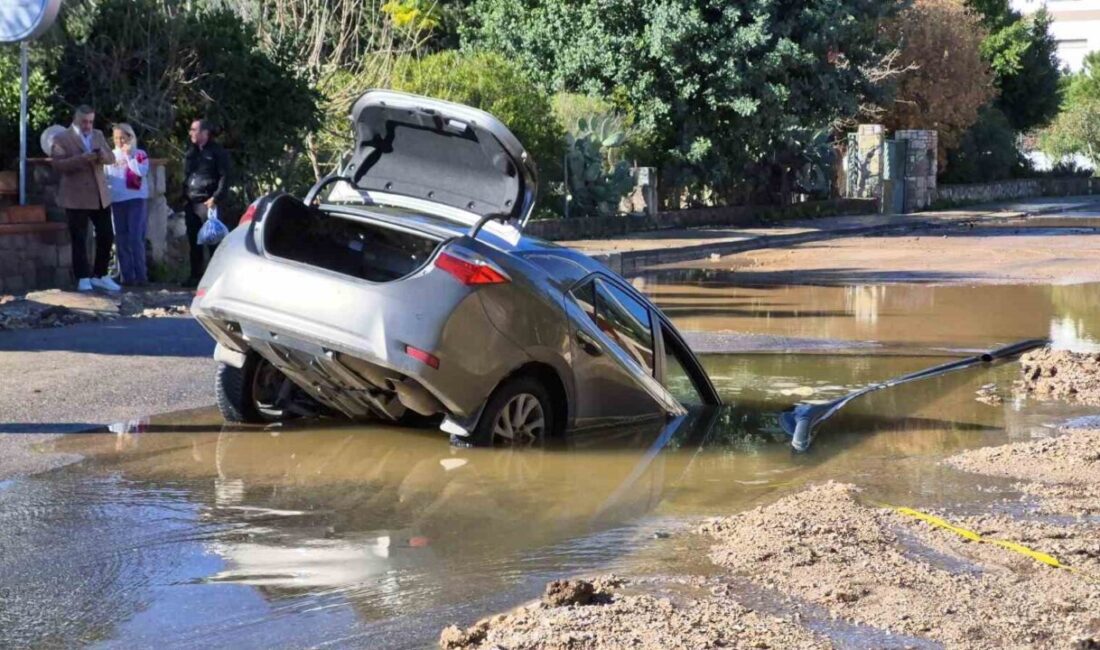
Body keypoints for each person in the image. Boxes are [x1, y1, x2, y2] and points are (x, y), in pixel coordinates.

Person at [50, 105, 121, 292]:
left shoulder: (97, 135)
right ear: (76, 119)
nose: (88, 125)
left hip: (99, 195)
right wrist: (82, 159)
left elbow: (111, 158)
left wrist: (102, 155)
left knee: (106, 235)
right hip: (76, 196)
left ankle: (100, 274)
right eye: (84, 121)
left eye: (90, 121)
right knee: (79, 238)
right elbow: (58, 165)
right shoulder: (61, 138)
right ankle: (82, 277)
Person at [182, 118, 230, 288]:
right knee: (194, 240)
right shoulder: (191, 152)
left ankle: (217, 279)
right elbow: (187, 175)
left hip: (209, 202)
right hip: (192, 202)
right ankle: (196, 276)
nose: (191, 133)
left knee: (213, 241)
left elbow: (225, 177)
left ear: (205, 133)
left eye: (194, 130)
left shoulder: (217, 152)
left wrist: (215, 198)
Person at [105, 123, 150, 287]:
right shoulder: (110, 155)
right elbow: (107, 176)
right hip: (118, 201)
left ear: (130, 137)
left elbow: (141, 172)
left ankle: (141, 275)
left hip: (135, 199)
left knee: (135, 238)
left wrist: (130, 156)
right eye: (116, 138)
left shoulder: (140, 154)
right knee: (121, 239)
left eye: (122, 138)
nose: (119, 141)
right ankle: (127, 276)